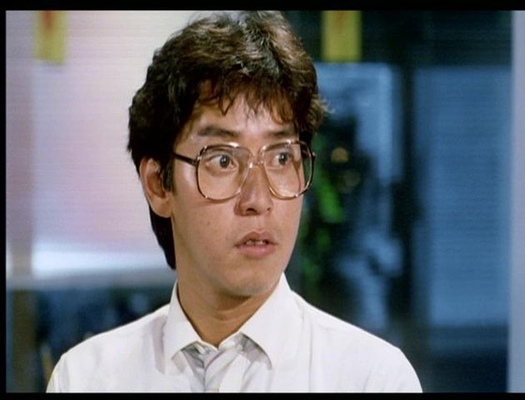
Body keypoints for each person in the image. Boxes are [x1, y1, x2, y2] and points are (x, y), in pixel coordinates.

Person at [46, 11, 422, 392]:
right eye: (223, 160)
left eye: (281, 157)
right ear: (159, 185)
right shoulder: (88, 378)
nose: (258, 199)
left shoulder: (371, 378)